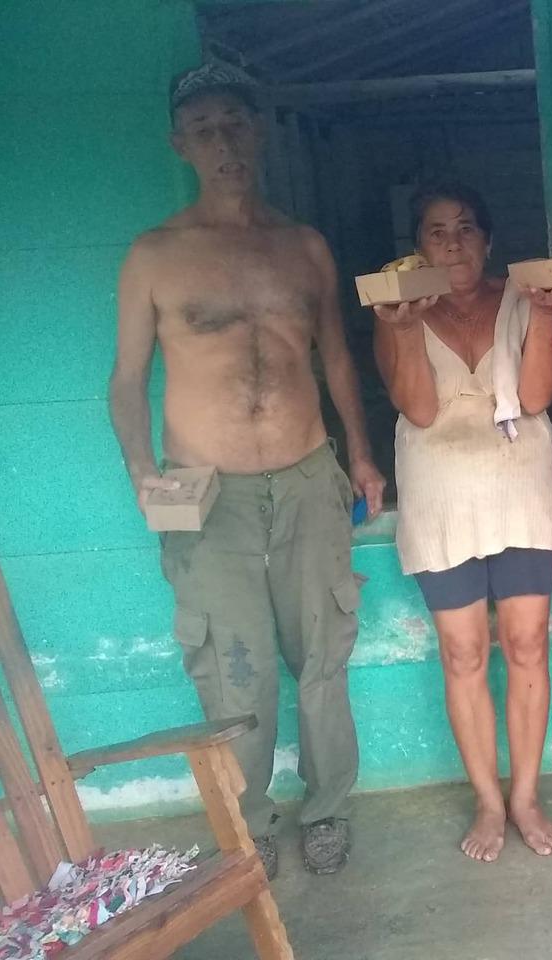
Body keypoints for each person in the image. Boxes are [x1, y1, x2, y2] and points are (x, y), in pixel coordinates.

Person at [109, 61, 386, 880]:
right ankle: (250, 822)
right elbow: (126, 380)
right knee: (237, 671)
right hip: (206, 491)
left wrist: (360, 453)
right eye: (204, 130)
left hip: (307, 475)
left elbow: (337, 357)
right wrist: (141, 470)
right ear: (180, 146)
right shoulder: (156, 255)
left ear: (259, 133)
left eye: (234, 123)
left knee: (323, 657)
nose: (223, 142)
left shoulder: (304, 246)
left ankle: (327, 809)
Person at [372, 183, 552, 863]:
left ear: (488, 240)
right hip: (440, 496)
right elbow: (419, 410)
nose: (453, 242)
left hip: (520, 487)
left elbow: (537, 396)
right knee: (462, 653)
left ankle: (525, 796)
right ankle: (489, 800)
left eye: (465, 228)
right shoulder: (394, 310)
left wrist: (546, 317)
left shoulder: (522, 296)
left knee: (527, 644)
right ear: (417, 247)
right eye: (436, 231)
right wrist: (404, 329)